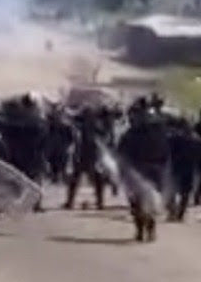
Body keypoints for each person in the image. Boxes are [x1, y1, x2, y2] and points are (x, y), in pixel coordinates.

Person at [118, 99, 171, 242]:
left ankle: (143, 230)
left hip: (142, 170)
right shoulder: (159, 131)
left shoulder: (133, 133)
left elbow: (122, 152)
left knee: (139, 201)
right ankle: (147, 230)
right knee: (148, 201)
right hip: (151, 169)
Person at [63, 107, 106, 210]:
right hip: (86, 154)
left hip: (89, 154)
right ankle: (99, 202)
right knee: (89, 178)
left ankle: (71, 202)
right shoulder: (90, 126)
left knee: (93, 178)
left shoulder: (92, 126)